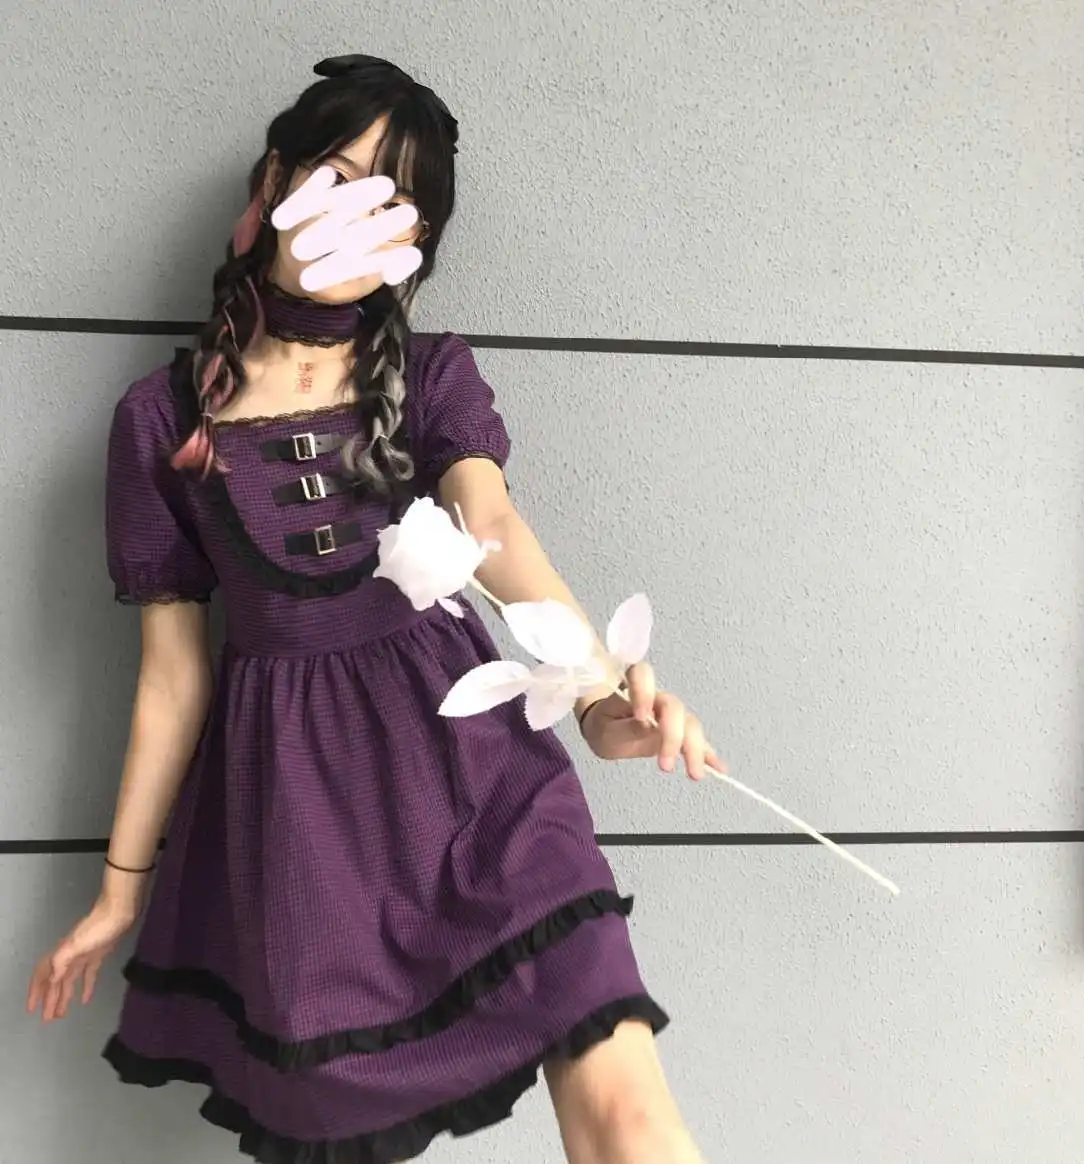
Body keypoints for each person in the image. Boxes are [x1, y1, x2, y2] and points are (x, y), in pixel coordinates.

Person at [26, 55, 724, 1164]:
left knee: (635, 1121)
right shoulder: (158, 419)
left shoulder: (432, 376)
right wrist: (120, 892)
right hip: (299, 828)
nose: (355, 213)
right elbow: (172, 676)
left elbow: (493, 528)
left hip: (483, 781)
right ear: (275, 181)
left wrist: (598, 700)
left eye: (391, 203)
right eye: (338, 177)